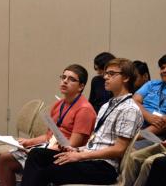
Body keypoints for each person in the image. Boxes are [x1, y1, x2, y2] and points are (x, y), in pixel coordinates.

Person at [21, 58, 143, 186]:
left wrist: (79, 156)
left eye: (111, 74)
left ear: (126, 78)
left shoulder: (129, 109)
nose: (105, 77)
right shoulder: (106, 106)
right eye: (106, 73)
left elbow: (119, 150)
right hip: (89, 158)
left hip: (104, 167)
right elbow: (95, 143)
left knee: (48, 170)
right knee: (37, 155)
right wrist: (75, 150)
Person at [0, 64, 96, 186]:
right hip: (48, 148)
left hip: (65, 155)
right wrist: (29, 142)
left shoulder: (84, 110)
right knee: (5, 159)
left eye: (71, 79)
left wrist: (39, 149)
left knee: (30, 157)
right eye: (63, 77)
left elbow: (73, 145)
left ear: (81, 86)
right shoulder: (58, 104)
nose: (65, 81)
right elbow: (48, 136)